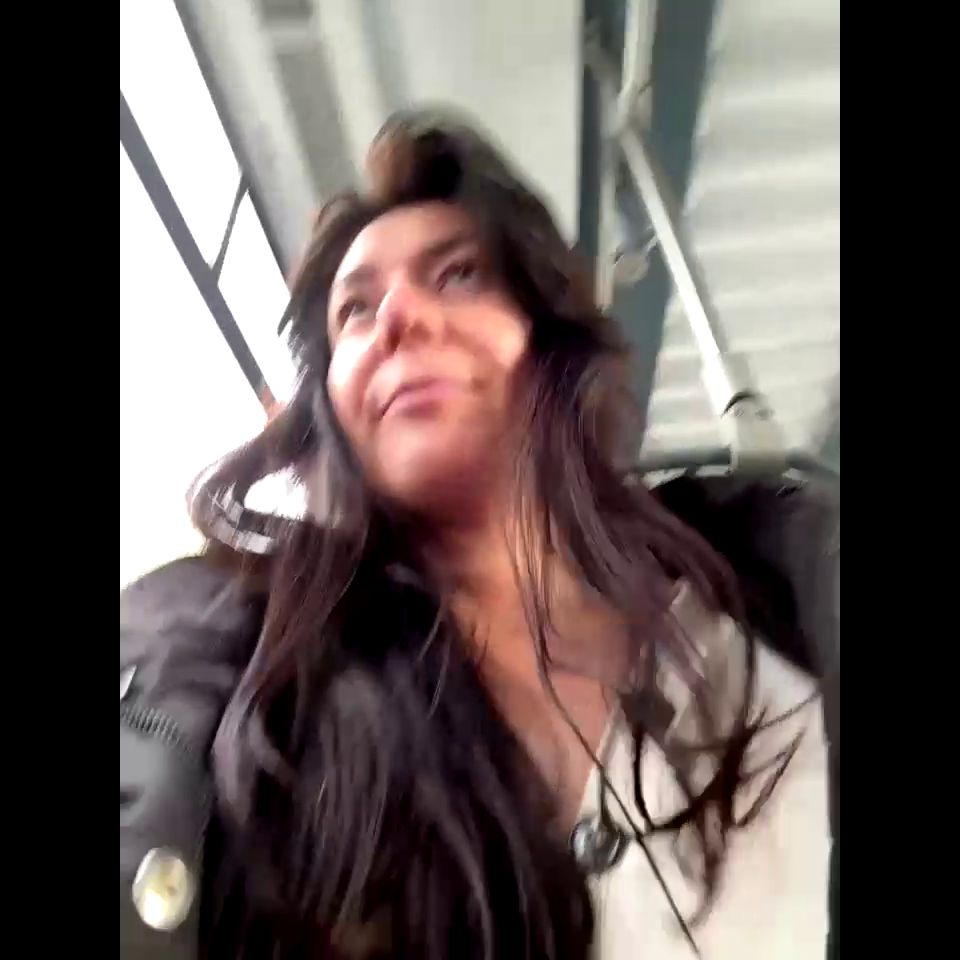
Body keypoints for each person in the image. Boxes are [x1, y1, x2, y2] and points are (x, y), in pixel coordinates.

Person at [120, 110, 835, 960]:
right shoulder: (250, 677)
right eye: (354, 311)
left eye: (458, 274)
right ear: (333, 411)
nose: (396, 316)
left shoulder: (777, 602)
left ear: (550, 340)